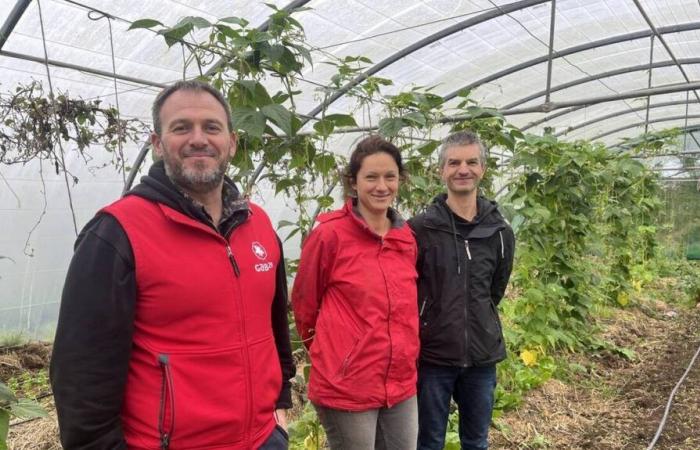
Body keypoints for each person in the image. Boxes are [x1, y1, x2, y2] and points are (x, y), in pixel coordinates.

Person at [50, 80, 295, 450]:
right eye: (181, 127)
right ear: (158, 144)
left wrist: (280, 404)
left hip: (263, 440)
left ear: (232, 142)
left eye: (211, 127)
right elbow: (81, 373)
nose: (198, 139)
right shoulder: (118, 232)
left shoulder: (257, 223)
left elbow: (274, 325)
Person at [292, 135, 420, 450]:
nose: (382, 186)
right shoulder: (330, 236)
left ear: (399, 180)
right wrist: (337, 356)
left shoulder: (406, 238)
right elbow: (305, 305)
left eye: (390, 176)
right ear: (354, 182)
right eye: (371, 177)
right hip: (347, 384)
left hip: (400, 380)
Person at [409, 131, 515, 450]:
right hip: (433, 356)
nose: (462, 169)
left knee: (476, 441)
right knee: (428, 441)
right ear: (441, 170)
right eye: (454, 162)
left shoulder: (499, 232)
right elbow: (411, 289)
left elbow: (494, 289)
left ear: (482, 168)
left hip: (482, 357)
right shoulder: (420, 229)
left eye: (471, 162)